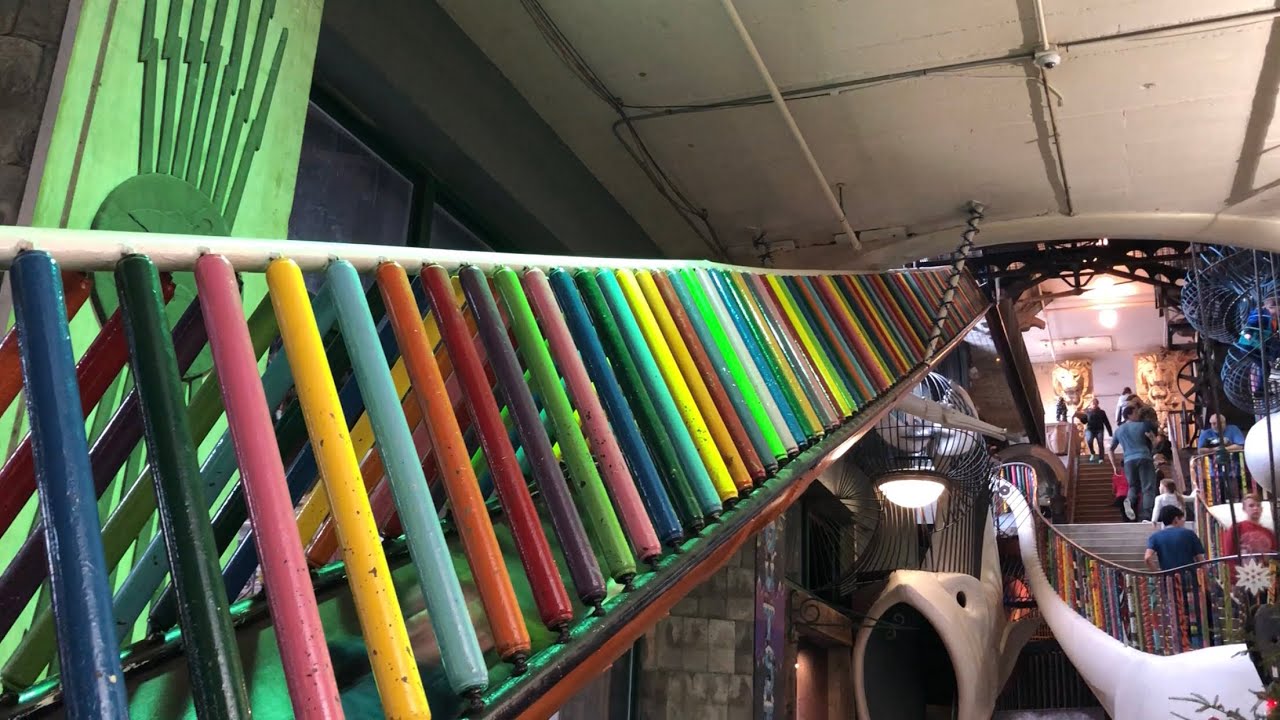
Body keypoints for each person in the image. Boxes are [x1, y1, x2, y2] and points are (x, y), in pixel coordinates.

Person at [1111, 405, 1157, 521]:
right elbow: (1154, 441)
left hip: (1128, 460)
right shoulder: (1143, 425)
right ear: (1129, 415)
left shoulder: (1118, 430)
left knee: (1133, 487)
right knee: (1147, 487)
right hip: (1144, 457)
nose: (1138, 415)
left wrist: (1114, 465)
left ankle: (1130, 501)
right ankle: (1147, 514)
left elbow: (1111, 449)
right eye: (1136, 413)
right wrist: (1153, 443)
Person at [1145, 505, 1206, 571]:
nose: (1184, 521)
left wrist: (1158, 574)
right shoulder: (1190, 534)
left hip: (1168, 576)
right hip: (1189, 575)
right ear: (1176, 519)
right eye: (1182, 518)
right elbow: (1200, 560)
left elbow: (1147, 557)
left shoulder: (1155, 537)